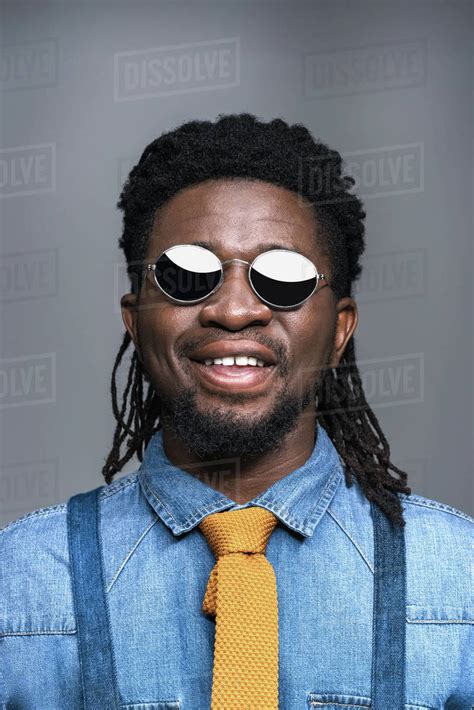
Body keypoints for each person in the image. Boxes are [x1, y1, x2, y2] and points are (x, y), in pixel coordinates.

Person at [1, 113, 472, 709]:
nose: (234, 309)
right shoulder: (19, 581)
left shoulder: (460, 578)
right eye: (187, 274)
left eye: (284, 277)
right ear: (134, 316)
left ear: (339, 328)